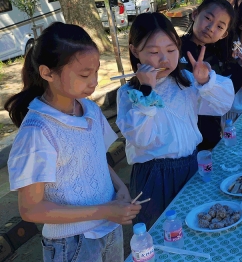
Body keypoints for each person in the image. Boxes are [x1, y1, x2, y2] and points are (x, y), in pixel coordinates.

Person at [5, 22, 141, 261]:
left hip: (109, 229)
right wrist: (106, 210)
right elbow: (30, 209)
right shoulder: (38, 132)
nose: (94, 81)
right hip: (72, 244)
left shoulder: (89, 109)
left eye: (96, 71)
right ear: (47, 73)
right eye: (84, 75)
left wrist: (120, 188)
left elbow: (96, 159)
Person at [118, 12, 234, 227]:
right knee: (162, 234)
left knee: (196, 227)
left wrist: (207, 80)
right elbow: (141, 139)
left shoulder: (187, 82)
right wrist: (146, 91)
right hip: (153, 177)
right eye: (154, 52)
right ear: (135, 50)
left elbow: (223, 104)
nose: (164, 59)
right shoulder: (128, 93)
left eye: (171, 50)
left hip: (190, 165)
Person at [180, 0, 242, 151]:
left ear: (225, 34)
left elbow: (227, 93)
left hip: (210, 134)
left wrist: (241, 68)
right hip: (183, 139)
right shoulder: (175, 50)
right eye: (207, 18)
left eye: (220, 26)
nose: (211, 28)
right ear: (194, 15)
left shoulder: (218, 57)